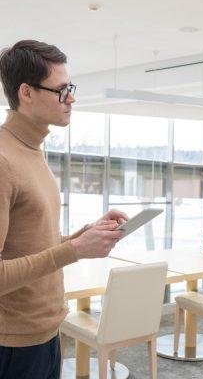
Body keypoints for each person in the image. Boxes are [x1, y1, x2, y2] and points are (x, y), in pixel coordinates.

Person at [0, 40, 127, 379]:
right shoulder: (3, 160)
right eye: (60, 90)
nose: (71, 98)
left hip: (47, 331)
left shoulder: (31, 150)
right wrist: (73, 251)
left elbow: (29, 243)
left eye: (70, 88)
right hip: (13, 345)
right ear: (26, 92)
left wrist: (80, 237)